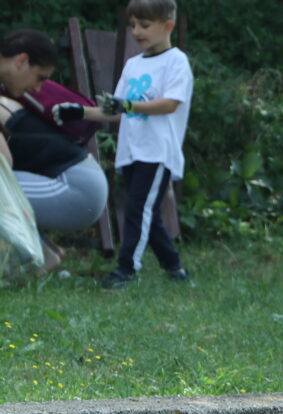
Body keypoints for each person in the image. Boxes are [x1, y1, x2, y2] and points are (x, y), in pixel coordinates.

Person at [54, 0, 192, 289]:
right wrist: (79, 112)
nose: (136, 31)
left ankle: (126, 269)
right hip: (131, 150)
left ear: (167, 25)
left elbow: (169, 104)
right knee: (145, 212)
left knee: (137, 210)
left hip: (158, 151)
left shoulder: (176, 61)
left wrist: (129, 104)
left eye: (144, 25)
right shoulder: (133, 64)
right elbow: (115, 110)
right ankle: (175, 268)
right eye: (132, 25)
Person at [0, 29, 107, 271]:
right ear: (21, 61)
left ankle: (39, 256)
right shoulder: (6, 95)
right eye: (40, 77)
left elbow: (3, 163)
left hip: (77, 187)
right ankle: (48, 251)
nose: (39, 89)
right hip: (78, 181)